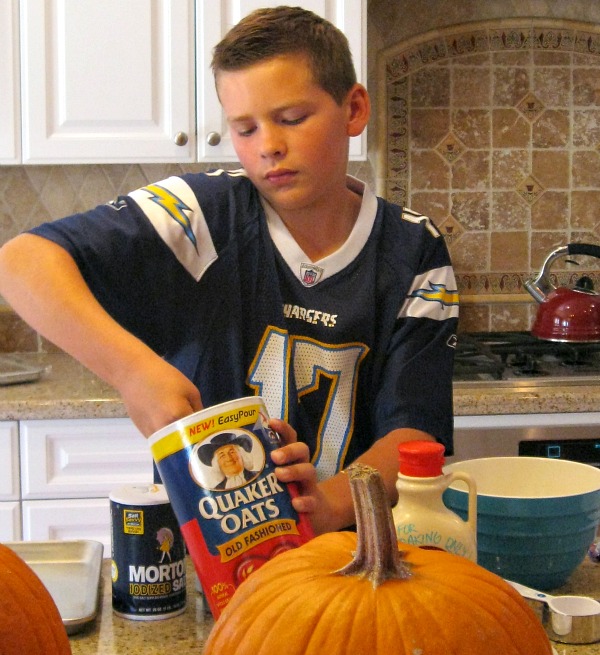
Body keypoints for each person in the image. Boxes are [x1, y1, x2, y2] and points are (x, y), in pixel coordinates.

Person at [0, 6, 458, 535]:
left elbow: (415, 438)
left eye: (291, 119)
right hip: (209, 554)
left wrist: (326, 504)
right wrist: (131, 371)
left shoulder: (413, 249)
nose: (268, 146)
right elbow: (21, 260)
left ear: (353, 109)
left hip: (348, 557)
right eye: (244, 128)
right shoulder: (201, 213)